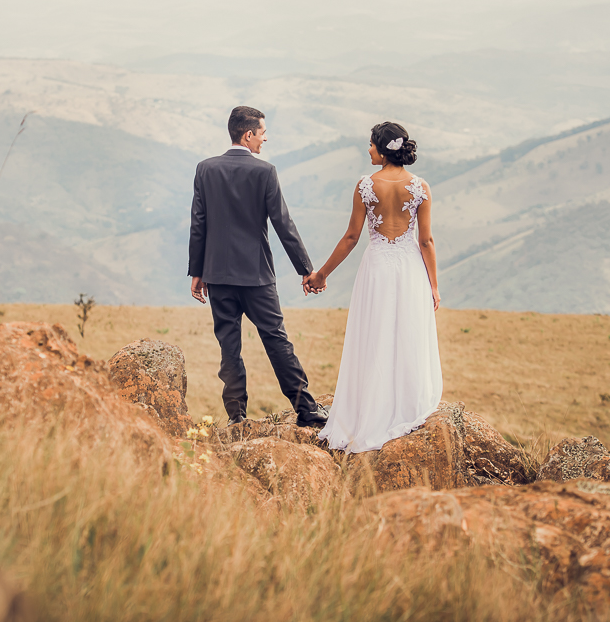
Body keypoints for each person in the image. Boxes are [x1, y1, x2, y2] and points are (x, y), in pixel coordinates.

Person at [304, 121, 443, 452]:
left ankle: (369, 408)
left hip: (378, 266)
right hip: (410, 268)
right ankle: (405, 405)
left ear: (382, 149)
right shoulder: (421, 187)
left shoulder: (365, 185)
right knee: (407, 332)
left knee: (374, 333)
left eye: (370, 144)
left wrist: (322, 273)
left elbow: (352, 237)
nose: (368, 150)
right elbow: (426, 241)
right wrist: (434, 286)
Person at [188, 106, 328, 428]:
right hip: (257, 276)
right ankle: (305, 409)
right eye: (262, 133)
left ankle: (236, 417)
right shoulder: (265, 172)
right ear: (248, 134)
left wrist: (197, 271)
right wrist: (306, 269)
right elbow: (283, 224)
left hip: (218, 275)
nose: (265, 138)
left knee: (229, 345)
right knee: (276, 340)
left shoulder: (205, 169)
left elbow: (199, 224)